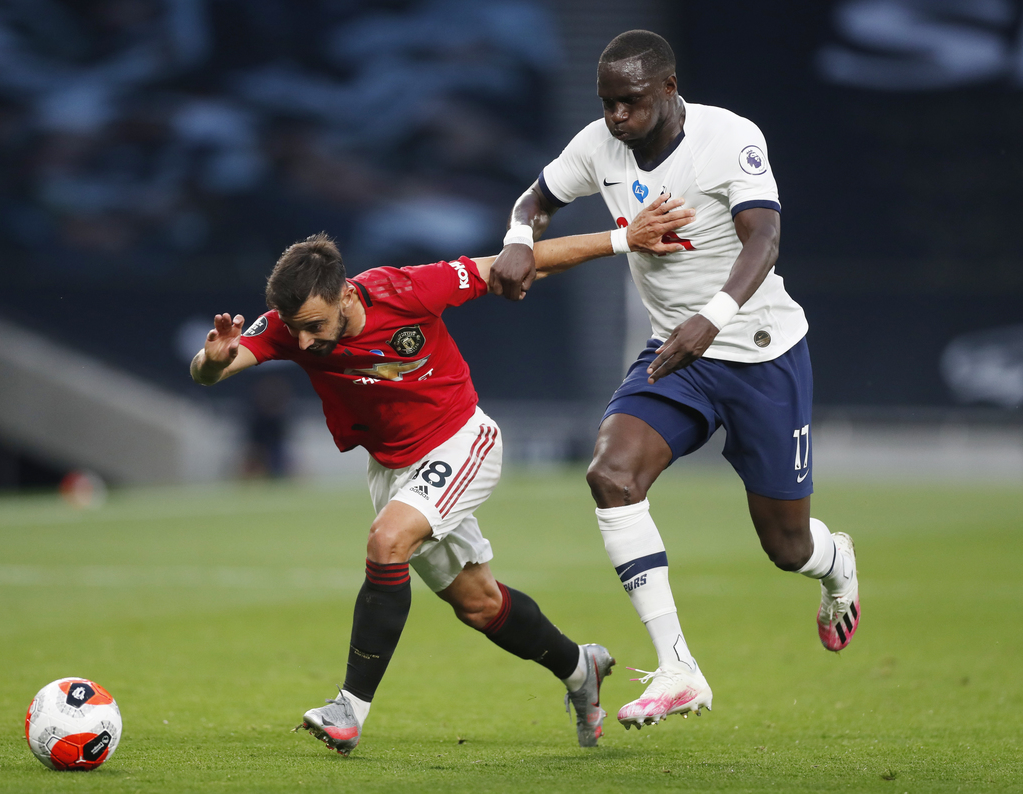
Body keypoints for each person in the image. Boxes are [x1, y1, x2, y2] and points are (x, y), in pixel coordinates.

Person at [189, 197, 694, 755]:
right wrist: (213, 360)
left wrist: (624, 239)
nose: (303, 342)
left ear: (346, 295)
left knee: (387, 541)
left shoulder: (407, 289)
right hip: (393, 468)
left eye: (314, 327)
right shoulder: (289, 327)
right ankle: (581, 668)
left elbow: (522, 262)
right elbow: (214, 370)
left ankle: (348, 709)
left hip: (460, 441)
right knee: (479, 604)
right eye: (295, 330)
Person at [489, 29, 861, 731]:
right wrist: (517, 240)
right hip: (674, 355)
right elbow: (532, 201)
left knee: (787, 547)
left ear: (668, 88)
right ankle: (678, 667)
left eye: (629, 102)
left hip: (760, 351)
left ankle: (834, 557)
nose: (616, 117)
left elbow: (764, 238)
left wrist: (711, 319)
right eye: (607, 103)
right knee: (611, 475)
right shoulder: (597, 144)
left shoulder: (728, 138)